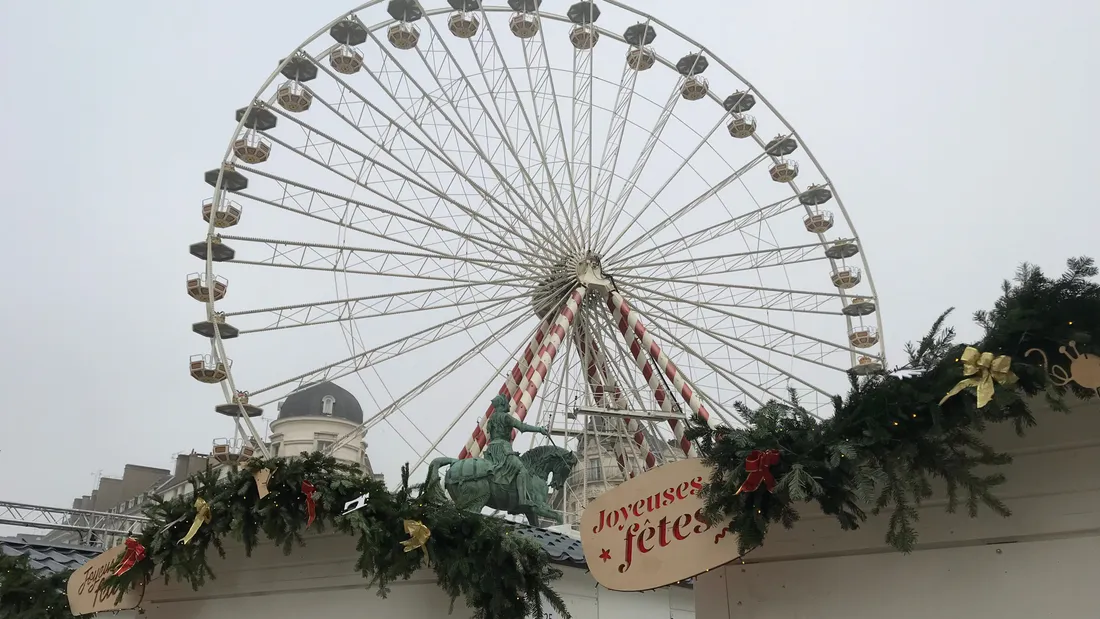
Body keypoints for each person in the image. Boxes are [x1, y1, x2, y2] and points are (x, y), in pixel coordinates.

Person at [481, 394, 550, 510]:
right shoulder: (506, 417)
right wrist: (539, 429)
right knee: (522, 470)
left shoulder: (492, 419)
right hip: (503, 448)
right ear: (503, 405)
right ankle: (523, 499)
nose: (509, 405)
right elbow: (522, 427)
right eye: (507, 403)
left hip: (491, 450)